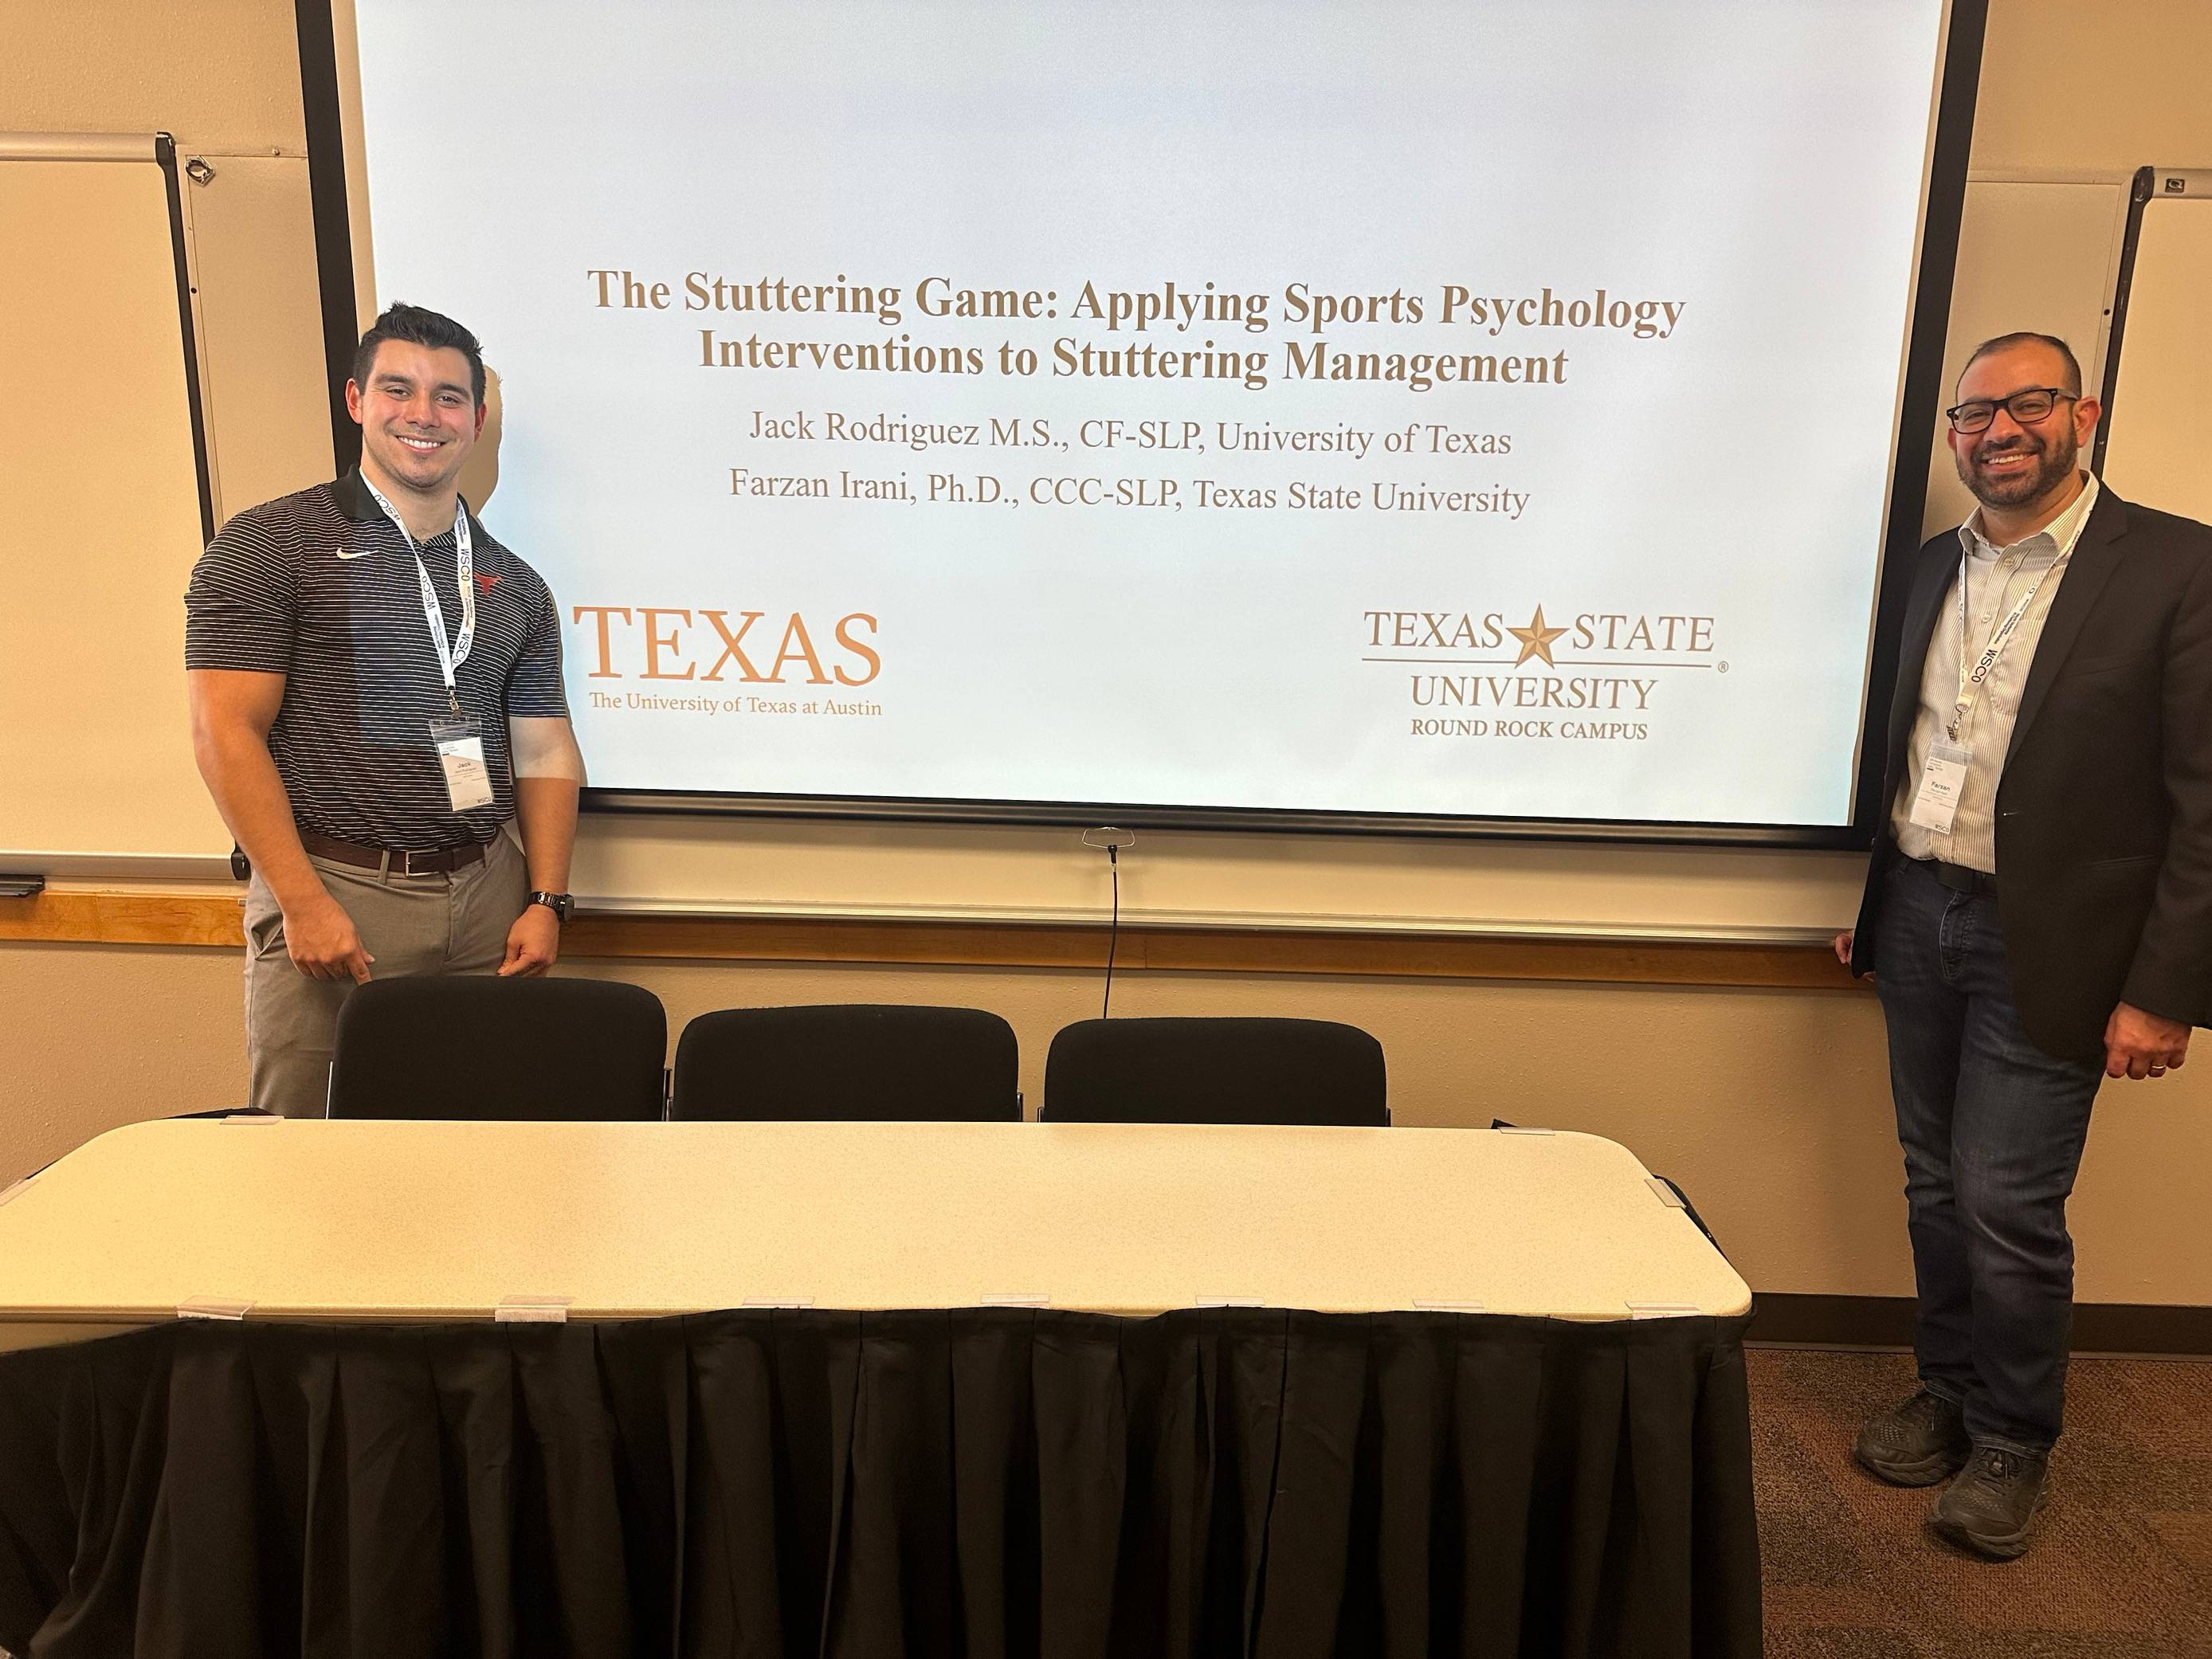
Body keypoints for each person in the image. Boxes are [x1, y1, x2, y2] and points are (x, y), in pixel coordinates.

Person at [1834, 331, 2212, 1559]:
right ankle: (1947, 1390)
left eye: (2028, 403)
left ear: (2082, 416)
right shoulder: (1927, 568)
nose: (1997, 430)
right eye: (1973, 413)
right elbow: (1911, 745)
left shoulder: (2179, 567)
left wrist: (2164, 990)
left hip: (2055, 943)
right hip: (1920, 908)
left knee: (2008, 1202)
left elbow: (2205, 800)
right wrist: (1880, 892)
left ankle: (2011, 1437)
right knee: (1934, 1181)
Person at [186, 303, 585, 1116]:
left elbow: (544, 750)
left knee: (480, 1138)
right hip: (338, 890)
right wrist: (301, 901)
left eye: (449, 397)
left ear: (475, 421)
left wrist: (546, 901)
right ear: (357, 401)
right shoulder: (271, 546)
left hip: (487, 895)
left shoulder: (514, 583)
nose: (423, 414)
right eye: (399, 389)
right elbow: (226, 731)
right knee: (312, 1148)